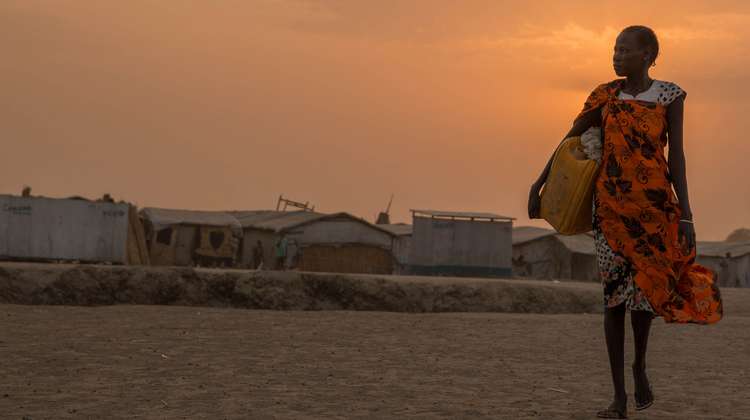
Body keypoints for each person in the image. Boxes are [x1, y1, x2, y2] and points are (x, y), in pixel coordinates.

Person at [528, 26, 723, 419]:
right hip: (610, 213)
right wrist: (539, 182)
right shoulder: (605, 96)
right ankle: (619, 397)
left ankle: (640, 366)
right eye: (614, 49)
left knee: (645, 296)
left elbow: (678, 158)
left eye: (625, 50)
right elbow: (570, 140)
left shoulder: (670, 96)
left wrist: (685, 212)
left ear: (648, 55)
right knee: (613, 300)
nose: (616, 56)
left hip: (653, 210)